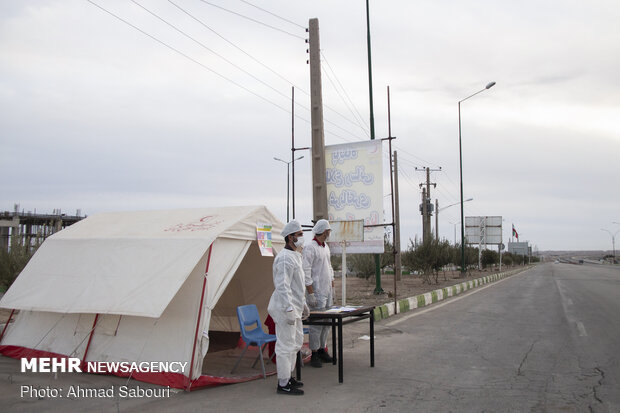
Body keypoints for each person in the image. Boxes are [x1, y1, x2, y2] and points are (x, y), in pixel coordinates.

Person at [267, 220, 309, 396]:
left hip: (295, 308)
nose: (302, 237)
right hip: (285, 309)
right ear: (290, 237)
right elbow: (282, 286)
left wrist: (303, 304)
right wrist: (289, 309)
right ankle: (282, 383)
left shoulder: (295, 255)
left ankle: (288, 377)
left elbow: (296, 286)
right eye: (299, 234)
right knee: (285, 346)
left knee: (295, 343)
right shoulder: (284, 258)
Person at [303, 219, 335, 368]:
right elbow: (306, 271)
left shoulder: (325, 247)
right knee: (316, 324)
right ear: (324, 231)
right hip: (317, 291)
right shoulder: (310, 247)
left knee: (327, 322)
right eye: (328, 230)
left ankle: (322, 348)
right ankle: (314, 352)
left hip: (327, 290)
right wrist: (310, 293)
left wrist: (332, 283)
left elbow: (329, 267)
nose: (329, 233)